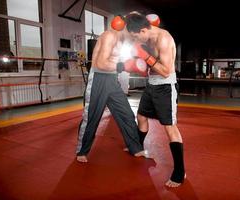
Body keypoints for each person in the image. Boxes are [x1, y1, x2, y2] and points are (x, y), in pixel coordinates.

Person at [76, 16, 149, 163]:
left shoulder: (123, 41)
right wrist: (124, 66)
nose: (133, 35)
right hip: (98, 79)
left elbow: (116, 62)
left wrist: (131, 63)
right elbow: (101, 63)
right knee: (92, 116)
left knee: (126, 114)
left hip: (112, 80)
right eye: (133, 32)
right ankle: (81, 151)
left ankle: (135, 147)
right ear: (126, 28)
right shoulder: (109, 36)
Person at [125, 13, 186, 187]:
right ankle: (138, 147)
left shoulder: (164, 39)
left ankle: (180, 172)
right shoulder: (147, 36)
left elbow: (166, 71)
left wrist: (144, 56)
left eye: (137, 36)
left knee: (170, 127)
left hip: (165, 87)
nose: (137, 40)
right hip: (151, 85)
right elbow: (151, 65)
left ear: (143, 30)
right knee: (141, 116)